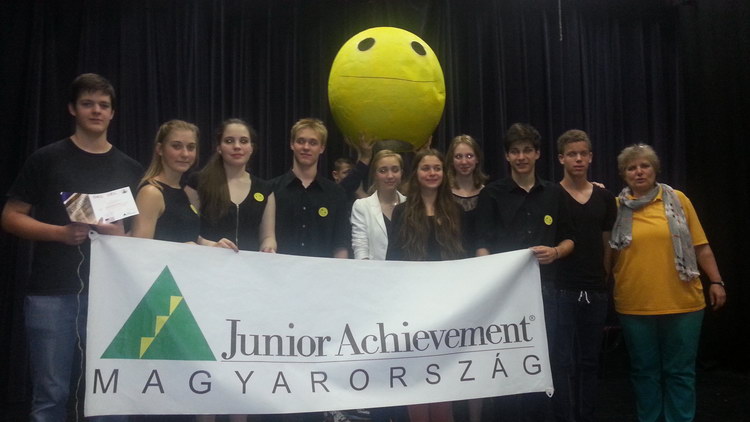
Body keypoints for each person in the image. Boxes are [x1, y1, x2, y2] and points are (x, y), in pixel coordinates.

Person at [1, 73, 142, 421]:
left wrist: (118, 236)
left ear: (113, 113)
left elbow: (139, 240)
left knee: (110, 393)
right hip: (52, 294)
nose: (96, 111)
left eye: (104, 105)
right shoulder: (47, 158)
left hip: (112, 298)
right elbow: (10, 217)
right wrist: (59, 234)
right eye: (87, 103)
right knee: (51, 394)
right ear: (72, 109)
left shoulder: (130, 168)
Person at [610, 143, 726, 422]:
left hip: (683, 303)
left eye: (644, 165)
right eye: (631, 168)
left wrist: (717, 281)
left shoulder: (679, 200)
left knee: (680, 373)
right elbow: (607, 254)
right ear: (624, 175)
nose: (639, 172)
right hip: (635, 305)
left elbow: (701, 246)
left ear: (655, 169)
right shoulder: (614, 207)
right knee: (644, 372)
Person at [474, 122, 575, 421]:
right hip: (505, 295)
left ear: (537, 154)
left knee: (543, 360)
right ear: (507, 156)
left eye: (527, 150)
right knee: (506, 362)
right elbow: (480, 244)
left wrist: (556, 252)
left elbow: (570, 239)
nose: (521, 157)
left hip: (546, 292)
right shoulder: (492, 194)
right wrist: (491, 272)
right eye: (515, 151)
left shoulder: (554, 193)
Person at [387, 148, 465, 422]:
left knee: (444, 377)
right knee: (417, 378)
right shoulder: (401, 212)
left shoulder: (456, 211)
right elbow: (392, 261)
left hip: (448, 307)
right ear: (416, 174)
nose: (432, 173)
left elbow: (465, 263)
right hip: (413, 307)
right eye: (425, 168)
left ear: (444, 173)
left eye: (437, 168)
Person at [551, 129, 616, 422]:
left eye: (582, 154)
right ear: (561, 158)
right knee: (562, 362)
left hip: (596, 290)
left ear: (590, 157)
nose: (577, 159)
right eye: (571, 154)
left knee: (590, 362)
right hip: (561, 290)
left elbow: (608, 243)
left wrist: (604, 279)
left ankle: (587, 415)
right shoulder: (551, 196)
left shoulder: (604, 196)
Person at [186, 118, 276, 253]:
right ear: (219, 148)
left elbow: (268, 236)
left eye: (244, 141)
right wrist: (210, 244)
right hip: (208, 261)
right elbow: (187, 230)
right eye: (229, 141)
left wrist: (268, 248)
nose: (237, 146)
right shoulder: (198, 182)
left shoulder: (265, 189)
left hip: (249, 265)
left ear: (251, 148)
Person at [272, 118, 350, 258]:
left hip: (322, 271)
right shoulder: (272, 189)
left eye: (313, 143)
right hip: (279, 270)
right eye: (301, 141)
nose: (306, 147)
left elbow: (341, 243)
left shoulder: (336, 193)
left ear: (322, 148)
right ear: (292, 144)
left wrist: (339, 270)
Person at [132, 119, 200, 242]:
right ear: (160, 149)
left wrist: (209, 244)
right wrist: (183, 249)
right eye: (176, 146)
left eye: (191, 147)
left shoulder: (179, 189)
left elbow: (183, 232)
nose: (185, 154)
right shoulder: (151, 193)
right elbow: (140, 248)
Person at [350, 149, 406, 260]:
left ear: (401, 173)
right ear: (375, 175)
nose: (390, 176)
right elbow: (360, 248)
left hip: (407, 269)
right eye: (383, 170)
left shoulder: (411, 205)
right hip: (374, 270)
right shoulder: (362, 206)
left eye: (395, 170)